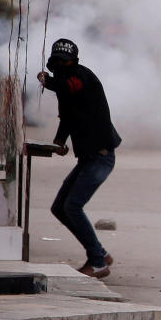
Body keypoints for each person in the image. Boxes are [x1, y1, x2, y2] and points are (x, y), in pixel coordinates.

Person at [36, 38, 121, 279]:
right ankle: (100, 254)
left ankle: (97, 262)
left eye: (66, 61)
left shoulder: (81, 77)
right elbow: (68, 118)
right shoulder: (65, 84)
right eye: (58, 62)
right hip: (87, 157)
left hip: (100, 156)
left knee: (72, 205)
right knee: (59, 208)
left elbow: (67, 86)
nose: (62, 65)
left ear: (74, 61)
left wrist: (47, 81)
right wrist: (59, 142)